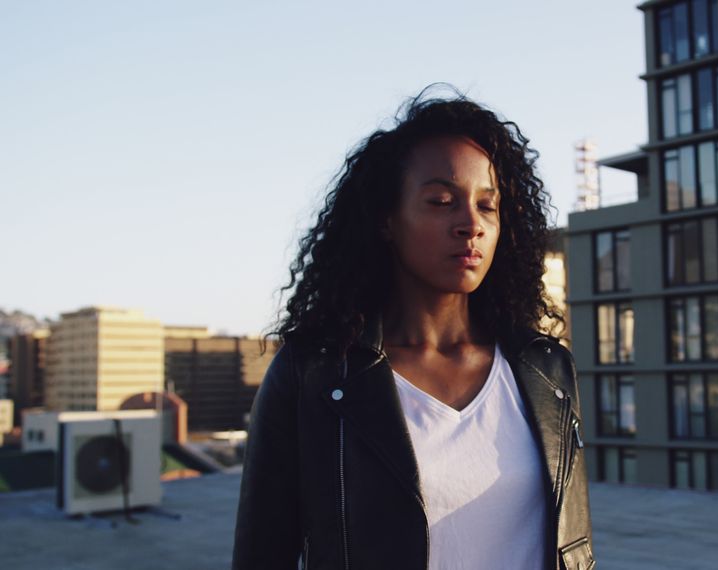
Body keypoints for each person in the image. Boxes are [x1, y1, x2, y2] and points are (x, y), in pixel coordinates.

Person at [232, 88, 595, 570]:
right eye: (442, 201)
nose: (471, 224)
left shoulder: (546, 370)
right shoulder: (313, 375)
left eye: (488, 205)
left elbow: (573, 544)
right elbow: (262, 556)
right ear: (386, 221)